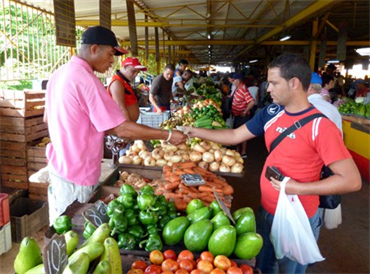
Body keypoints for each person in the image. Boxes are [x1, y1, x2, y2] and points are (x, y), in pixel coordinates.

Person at [184, 53, 361, 274]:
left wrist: (298, 188)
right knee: (265, 266)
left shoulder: (321, 127)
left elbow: (352, 181)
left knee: (291, 270)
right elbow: (234, 136)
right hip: (267, 210)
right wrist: (192, 131)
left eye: (274, 83)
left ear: (294, 83)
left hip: (298, 216)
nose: (268, 89)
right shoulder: (270, 114)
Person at [44, 26, 187, 225]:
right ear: (94, 49)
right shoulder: (86, 80)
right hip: (78, 174)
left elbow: (47, 118)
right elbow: (119, 128)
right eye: (111, 54)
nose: (112, 61)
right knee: (75, 234)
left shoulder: (58, 75)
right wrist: (168, 135)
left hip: (59, 168)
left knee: (61, 229)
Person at [107, 56, 147, 122]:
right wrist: (130, 127)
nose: (135, 75)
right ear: (125, 67)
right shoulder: (117, 83)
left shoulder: (124, 82)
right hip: (124, 127)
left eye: (137, 72)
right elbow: (120, 108)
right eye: (133, 71)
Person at [231, 73, 255, 158]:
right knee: (238, 133)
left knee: (243, 134)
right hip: (237, 115)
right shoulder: (238, 88)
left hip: (243, 117)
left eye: (234, 81)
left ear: (238, 81)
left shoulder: (243, 90)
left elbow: (252, 102)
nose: (233, 82)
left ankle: (243, 152)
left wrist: (244, 112)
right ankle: (238, 150)